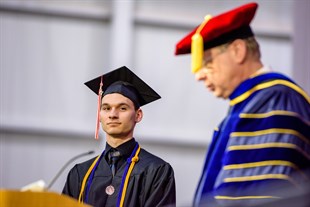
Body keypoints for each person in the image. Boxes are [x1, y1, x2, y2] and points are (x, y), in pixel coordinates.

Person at [175, 2, 310, 207]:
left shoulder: (273, 99)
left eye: (207, 62)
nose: (199, 75)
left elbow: (254, 195)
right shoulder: (250, 103)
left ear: (238, 50)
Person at [62, 66, 176, 207]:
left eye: (122, 108)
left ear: (138, 115)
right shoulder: (80, 173)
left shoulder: (156, 170)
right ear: (99, 115)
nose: (112, 115)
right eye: (106, 108)